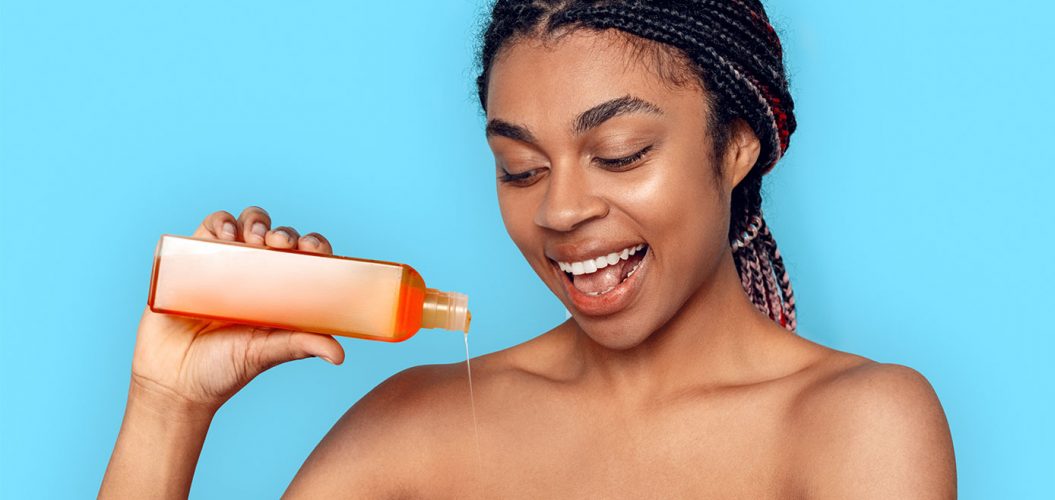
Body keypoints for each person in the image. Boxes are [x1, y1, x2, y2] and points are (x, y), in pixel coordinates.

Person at [100, 1, 956, 497]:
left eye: (620, 154)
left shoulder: (855, 425)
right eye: (520, 168)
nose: (562, 208)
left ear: (736, 145)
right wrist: (167, 407)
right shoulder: (417, 428)